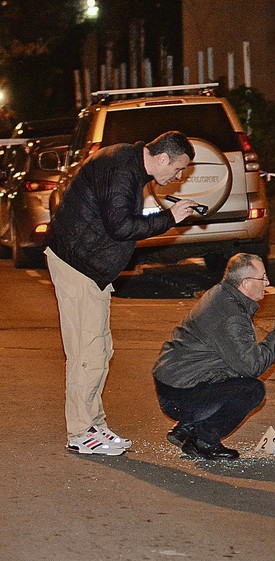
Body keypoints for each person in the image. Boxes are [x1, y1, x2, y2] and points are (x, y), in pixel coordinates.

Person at [46, 130, 199, 456]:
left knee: (99, 351)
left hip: (89, 269)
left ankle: (94, 425)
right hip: (79, 267)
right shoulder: (122, 170)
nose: (179, 177)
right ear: (161, 159)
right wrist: (169, 218)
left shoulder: (129, 163)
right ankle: (81, 432)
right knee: (86, 355)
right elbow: (121, 226)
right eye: (178, 169)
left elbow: (116, 219)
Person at [152, 253, 275, 460]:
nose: (267, 283)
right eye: (263, 278)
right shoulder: (231, 315)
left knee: (236, 374)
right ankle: (203, 441)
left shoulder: (222, 293)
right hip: (179, 393)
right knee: (252, 390)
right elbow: (252, 366)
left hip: (176, 380)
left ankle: (188, 426)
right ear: (246, 283)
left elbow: (232, 357)